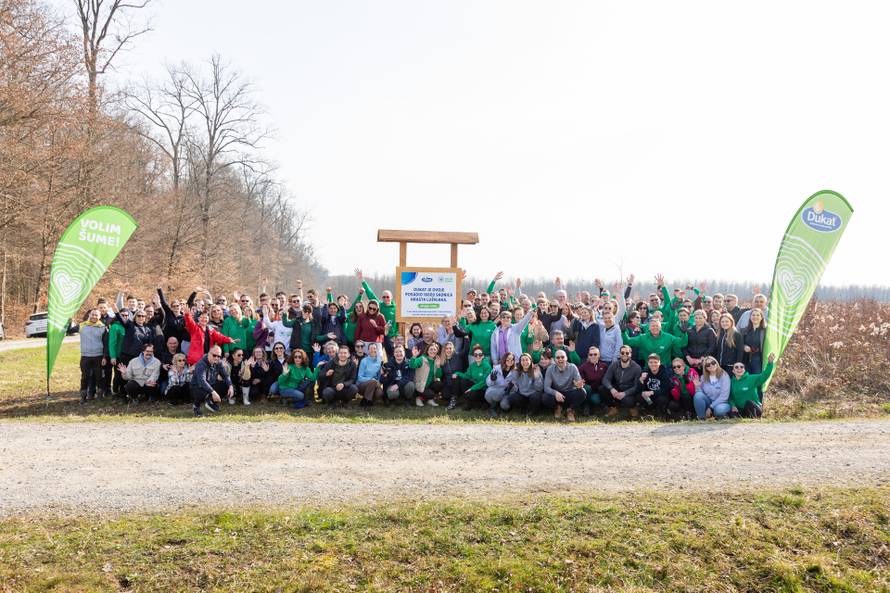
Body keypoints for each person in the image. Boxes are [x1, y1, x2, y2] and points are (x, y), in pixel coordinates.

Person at [622, 318, 688, 367]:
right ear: (649, 328)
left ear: (660, 327)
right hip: (649, 368)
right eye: (653, 326)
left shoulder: (668, 337)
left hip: (665, 368)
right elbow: (628, 342)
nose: (655, 328)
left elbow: (682, 343)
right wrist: (623, 332)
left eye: (657, 326)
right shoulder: (643, 337)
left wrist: (684, 333)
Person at [543, 350, 586, 422]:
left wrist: (578, 385)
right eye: (558, 357)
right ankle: (557, 408)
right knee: (545, 397)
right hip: (557, 395)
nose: (560, 359)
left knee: (582, 392)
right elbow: (546, 387)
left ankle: (570, 410)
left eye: (562, 357)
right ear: (554, 359)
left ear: (566, 358)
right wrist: (555, 393)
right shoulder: (550, 369)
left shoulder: (573, 367)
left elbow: (578, 382)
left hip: (569, 393)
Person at [189, 345, 233, 417]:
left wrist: (230, 386)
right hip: (197, 387)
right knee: (201, 391)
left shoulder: (219, 363)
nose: (216, 358)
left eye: (218, 356)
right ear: (209, 353)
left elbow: (225, 375)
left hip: (211, 384)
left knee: (225, 386)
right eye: (214, 355)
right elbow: (202, 381)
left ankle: (210, 402)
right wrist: (213, 392)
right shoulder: (201, 364)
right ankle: (196, 406)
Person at [730, 353, 776, 418]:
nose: (739, 368)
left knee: (749, 403)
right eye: (736, 367)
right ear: (733, 371)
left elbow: (765, 375)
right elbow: (731, 397)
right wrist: (733, 405)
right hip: (741, 409)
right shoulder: (731, 382)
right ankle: (743, 417)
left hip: (754, 407)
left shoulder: (752, 378)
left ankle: (754, 417)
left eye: (741, 367)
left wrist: (770, 363)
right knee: (731, 414)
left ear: (744, 370)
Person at [602, 345, 643, 418]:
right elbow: (605, 379)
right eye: (622, 353)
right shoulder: (614, 364)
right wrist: (611, 389)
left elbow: (637, 386)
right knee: (602, 389)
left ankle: (633, 409)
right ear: (619, 354)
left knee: (628, 401)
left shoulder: (637, 368)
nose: (624, 355)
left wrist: (625, 393)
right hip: (618, 388)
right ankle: (613, 408)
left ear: (631, 354)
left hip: (629, 390)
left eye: (627, 353)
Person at [78, 309, 106, 403]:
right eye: (92, 315)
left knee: (99, 377)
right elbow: (69, 330)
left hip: (98, 356)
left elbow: (106, 344)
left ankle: (100, 396)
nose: (94, 317)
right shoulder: (82, 326)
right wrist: (68, 322)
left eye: (96, 315)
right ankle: (83, 397)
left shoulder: (102, 327)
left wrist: (104, 357)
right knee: (85, 377)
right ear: (89, 315)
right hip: (85, 356)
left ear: (99, 317)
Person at [453, 344, 492, 410]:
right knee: (463, 381)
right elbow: (466, 376)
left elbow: (484, 382)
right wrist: (457, 373)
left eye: (480, 354)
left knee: (473, 392)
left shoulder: (487, 366)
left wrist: (472, 388)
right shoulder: (472, 365)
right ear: (473, 356)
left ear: (483, 356)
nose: (478, 356)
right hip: (475, 387)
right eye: (475, 355)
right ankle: (470, 403)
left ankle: (477, 403)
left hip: (483, 389)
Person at [638, 354, 674, 418]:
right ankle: (649, 412)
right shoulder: (645, 372)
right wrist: (641, 381)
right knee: (640, 396)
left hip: (661, 396)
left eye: (655, 362)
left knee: (661, 399)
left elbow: (666, 389)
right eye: (651, 362)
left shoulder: (665, 372)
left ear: (659, 363)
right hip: (650, 398)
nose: (653, 364)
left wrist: (652, 392)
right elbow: (641, 388)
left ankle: (662, 413)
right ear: (648, 363)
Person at [408, 342, 442, 407]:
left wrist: (438, 366)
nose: (433, 351)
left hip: (429, 385)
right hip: (420, 385)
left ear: (437, 351)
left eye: (434, 349)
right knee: (431, 394)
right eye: (431, 349)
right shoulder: (422, 359)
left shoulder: (436, 360)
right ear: (427, 351)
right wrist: (414, 356)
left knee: (439, 384)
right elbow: (412, 366)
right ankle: (418, 398)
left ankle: (429, 399)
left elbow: (438, 376)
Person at [484, 352, 517, 418]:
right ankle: (493, 407)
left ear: (514, 361)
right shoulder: (496, 369)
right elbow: (488, 383)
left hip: (507, 392)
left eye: (512, 359)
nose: (510, 361)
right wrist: (492, 379)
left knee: (505, 406)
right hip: (495, 391)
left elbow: (517, 387)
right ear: (504, 360)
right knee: (493, 394)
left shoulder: (515, 371)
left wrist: (512, 387)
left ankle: (502, 408)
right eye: (507, 359)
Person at [579, 346, 608, 414]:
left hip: (599, 391)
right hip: (589, 391)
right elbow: (580, 379)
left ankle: (602, 405)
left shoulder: (604, 366)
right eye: (591, 354)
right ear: (588, 356)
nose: (593, 356)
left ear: (599, 355)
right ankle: (586, 406)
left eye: (595, 354)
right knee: (587, 388)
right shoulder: (584, 366)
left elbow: (607, 379)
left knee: (597, 399)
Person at [356, 342, 384, 406]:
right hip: (362, 385)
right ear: (368, 350)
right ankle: (365, 401)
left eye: (374, 348)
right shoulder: (364, 361)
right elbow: (360, 377)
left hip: (374, 384)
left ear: (377, 350)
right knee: (372, 382)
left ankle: (369, 400)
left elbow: (379, 376)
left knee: (380, 393)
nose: (373, 350)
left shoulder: (380, 361)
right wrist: (372, 380)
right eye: (371, 349)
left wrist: (378, 381)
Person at [741, 308, 766, 374]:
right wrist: (744, 346)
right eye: (753, 315)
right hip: (745, 359)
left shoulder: (765, 331)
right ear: (750, 317)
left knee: (756, 379)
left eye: (758, 315)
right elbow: (739, 343)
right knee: (746, 379)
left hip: (758, 359)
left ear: (761, 317)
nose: (755, 317)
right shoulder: (744, 330)